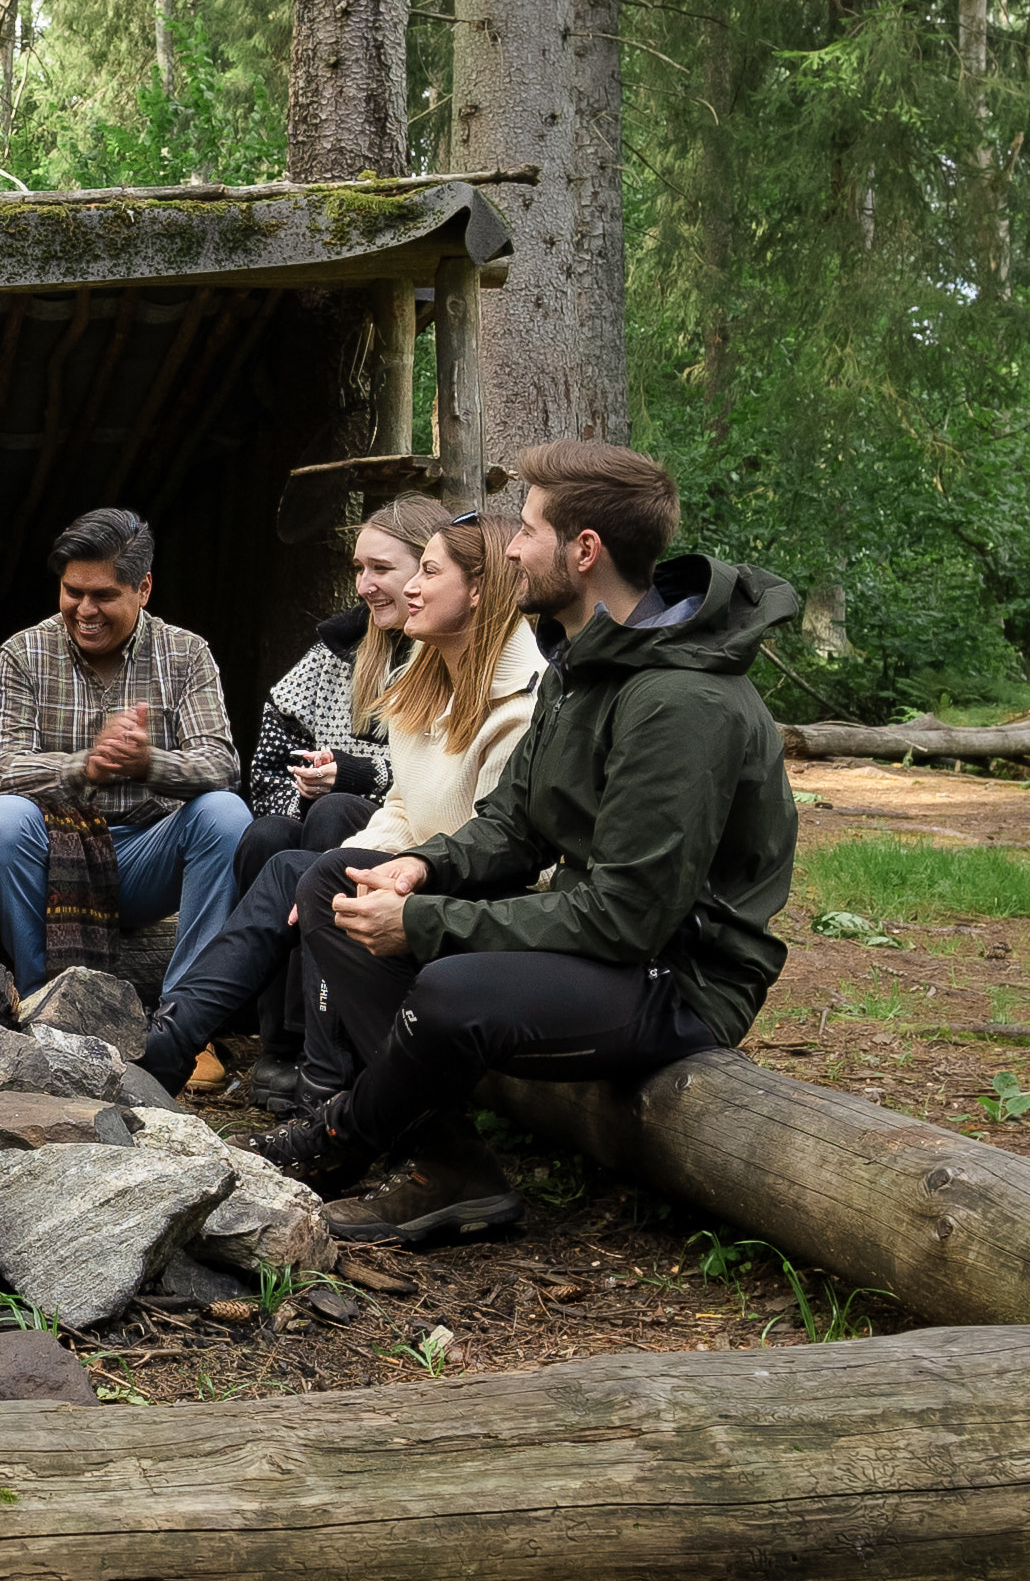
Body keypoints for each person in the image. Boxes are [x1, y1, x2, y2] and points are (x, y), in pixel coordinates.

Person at [245, 442, 799, 1246]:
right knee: (338, 882)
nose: (508, 548)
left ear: (584, 551)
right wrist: (418, 865)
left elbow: (627, 919)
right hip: (611, 948)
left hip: (677, 979)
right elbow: (516, 824)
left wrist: (426, 923)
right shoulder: (588, 661)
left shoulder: (679, 703)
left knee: (449, 992)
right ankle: (451, 1166)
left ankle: (338, 1138)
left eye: (528, 530)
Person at [142, 500, 546, 1109]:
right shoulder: (426, 687)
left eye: (428, 573)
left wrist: (358, 877)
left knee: (322, 869)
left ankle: (322, 1081)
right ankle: (171, 1041)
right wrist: (356, 866)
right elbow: (404, 810)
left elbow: (498, 851)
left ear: (480, 594)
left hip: (481, 908)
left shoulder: (520, 710)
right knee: (292, 868)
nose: (408, 588)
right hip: (422, 876)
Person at [0, 507, 254, 1023]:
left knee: (226, 815)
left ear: (143, 589)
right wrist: (85, 766)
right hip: (55, 852)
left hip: (150, 853)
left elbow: (222, 765)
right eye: (72, 592)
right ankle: (43, 1005)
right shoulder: (24, 653)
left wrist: (148, 764)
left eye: (103, 595)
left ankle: (186, 1018)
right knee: (0, 820)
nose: (84, 609)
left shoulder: (186, 654)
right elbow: (1, 769)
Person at [230, 494, 446, 1106]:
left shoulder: (443, 649)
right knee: (267, 834)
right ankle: (276, 1041)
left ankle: (322, 1041)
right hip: (318, 826)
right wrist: (302, 786)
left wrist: (352, 773)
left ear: (426, 570)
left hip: (409, 842)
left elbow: (434, 772)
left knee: (333, 813)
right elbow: (266, 768)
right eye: (360, 569)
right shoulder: (335, 654)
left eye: (382, 568)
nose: (365, 584)